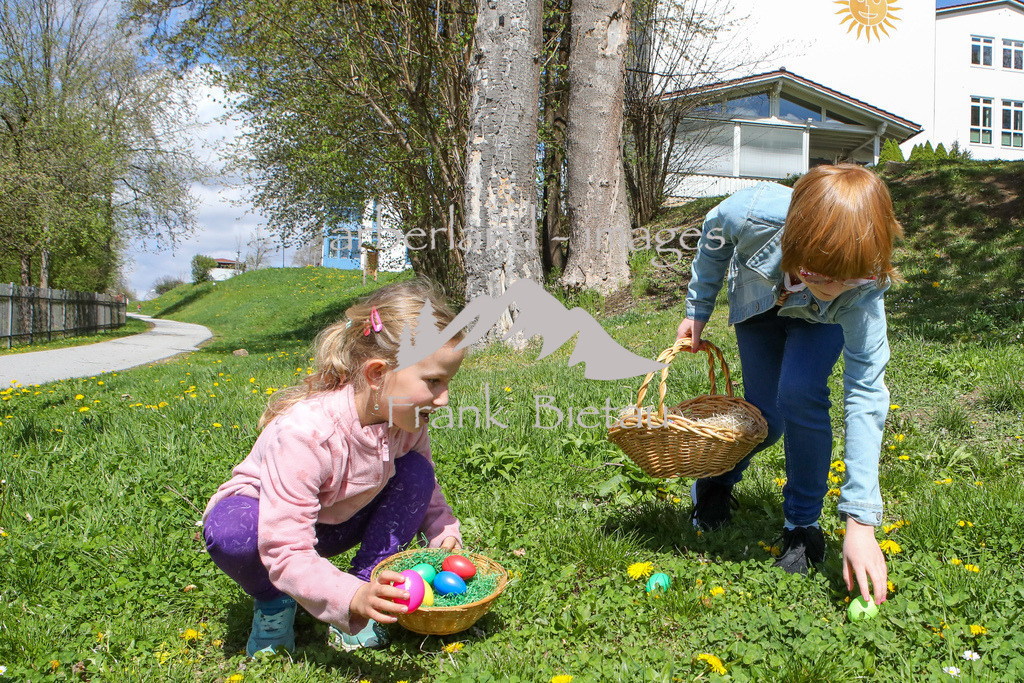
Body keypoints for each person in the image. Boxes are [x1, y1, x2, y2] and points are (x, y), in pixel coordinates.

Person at [675, 164, 899, 607]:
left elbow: (866, 394)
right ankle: (715, 484)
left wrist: (861, 521)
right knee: (767, 416)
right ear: (794, 242)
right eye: (820, 274)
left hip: (820, 326)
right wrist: (698, 308)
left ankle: (802, 526)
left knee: (801, 394)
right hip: (760, 306)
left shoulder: (861, 288)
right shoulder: (750, 213)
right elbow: (713, 235)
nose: (832, 288)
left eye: (847, 278)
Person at [202, 278, 465, 656]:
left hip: (333, 522)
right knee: (232, 534)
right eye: (434, 381)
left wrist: (442, 533)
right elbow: (285, 545)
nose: (444, 399)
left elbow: (426, 486)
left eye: (448, 382)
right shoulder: (307, 433)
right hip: (266, 525)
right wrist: (345, 596)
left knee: (416, 474)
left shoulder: (406, 420)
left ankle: (369, 587)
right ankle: (275, 600)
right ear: (377, 375)